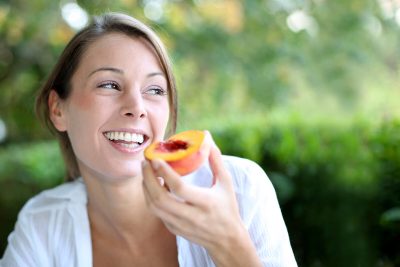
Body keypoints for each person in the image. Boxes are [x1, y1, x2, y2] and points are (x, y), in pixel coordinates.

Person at [0, 12, 297, 267]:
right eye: (109, 84)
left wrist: (230, 244)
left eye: (155, 90)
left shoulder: (242, 190)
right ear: (58, 109)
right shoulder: (42, 225)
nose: (137, 107)